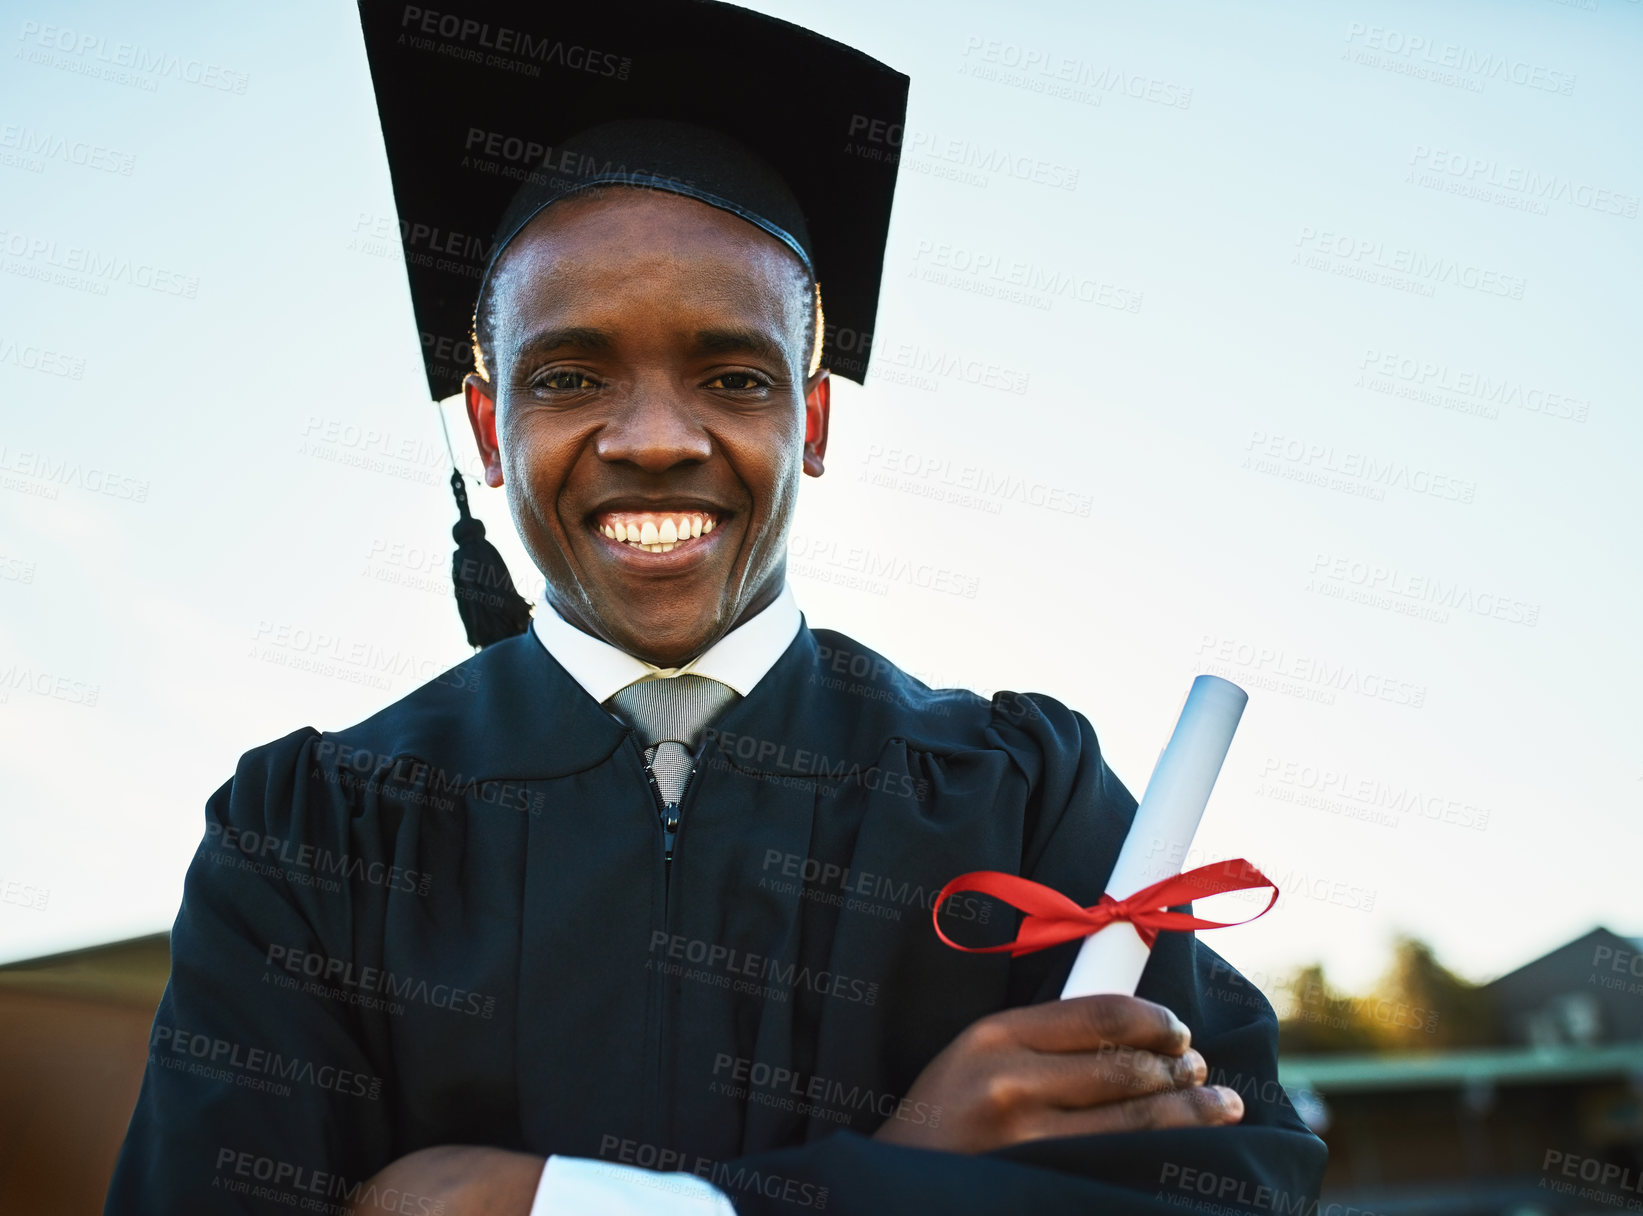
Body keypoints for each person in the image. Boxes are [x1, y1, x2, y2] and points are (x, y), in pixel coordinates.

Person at [105, 1, 1327, 1212]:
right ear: (489, 427)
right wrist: (902, 1170)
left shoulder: (1018, 795)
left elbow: (1230, 1185)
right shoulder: (313, 835)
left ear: (815, 420)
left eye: (731, 375)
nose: (653, 439)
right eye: (571, 375)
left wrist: (532, 1205)